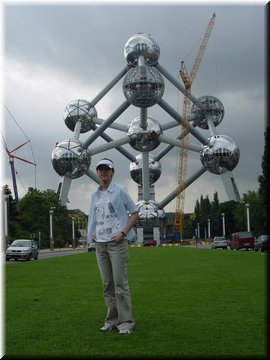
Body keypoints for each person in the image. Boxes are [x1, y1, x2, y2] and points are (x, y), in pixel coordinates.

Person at [87, 158, 138, 335]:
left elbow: (135, 212)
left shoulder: (120, 191)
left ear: (112, 172)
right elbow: (94, 218)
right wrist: (93, 233)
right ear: (97, 172)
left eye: (106, 169)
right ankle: (111, 320)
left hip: (117, 243)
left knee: (119, 284)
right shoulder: (95, 195)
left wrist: (123, 233)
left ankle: (125, 322)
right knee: (107, 284)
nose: (103, 172)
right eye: (100, 169)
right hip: (100, 244)